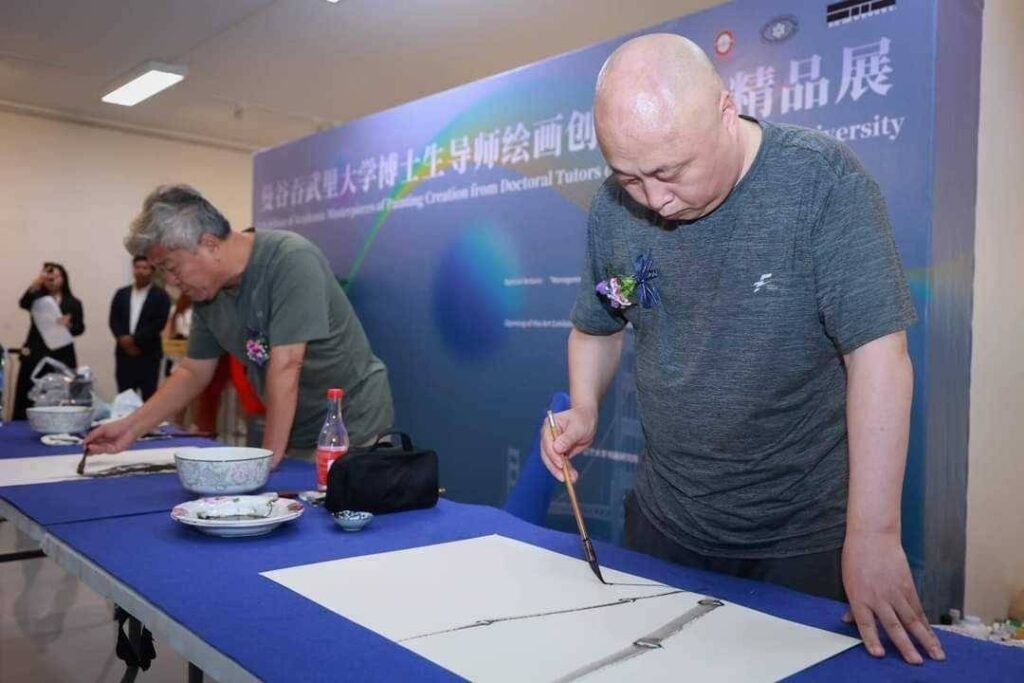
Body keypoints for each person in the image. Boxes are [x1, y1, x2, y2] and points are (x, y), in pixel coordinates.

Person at [539, 34, 944, 665]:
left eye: (669, 172)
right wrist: (586, 406)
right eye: (630, 177)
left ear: (725, 113)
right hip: (665, 523)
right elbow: (601, 323)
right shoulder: (615, 211)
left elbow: (878, 355)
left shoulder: (821, 183)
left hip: (802, 539)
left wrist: (874, 534)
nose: (653, 199)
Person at [85, 185, 394, 465]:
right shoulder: (207, 293)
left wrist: (265, 462)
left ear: (209, 244)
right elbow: (193, 371)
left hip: (349, 425)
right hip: (294, 428)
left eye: (171, 267)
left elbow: (287, 364)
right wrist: (130, 428)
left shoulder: (290, 259)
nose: (170, 281)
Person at [13, 262, 85, 419]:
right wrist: (36, 283)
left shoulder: (73, 302)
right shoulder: (37, 299)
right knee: (28, 392)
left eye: (56, 277)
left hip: (62, 354)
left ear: (63, 278)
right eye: (49, 277)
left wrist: (69, 325)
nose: (52, 280)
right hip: (36, 352)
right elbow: (23, 303)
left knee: (63, 393)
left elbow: (80, 328)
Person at [108, 255, 171, 400]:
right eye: (137, 267)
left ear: (152, 271)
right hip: (124, 355)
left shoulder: (161, 296)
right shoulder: (121, 294)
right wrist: (122, 339)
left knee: (149, 398)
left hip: (148, 354)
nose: (141, 271)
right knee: (124, 398)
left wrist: (134, 340)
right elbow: (114, 320)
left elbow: (158, 323)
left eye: (145, 268)